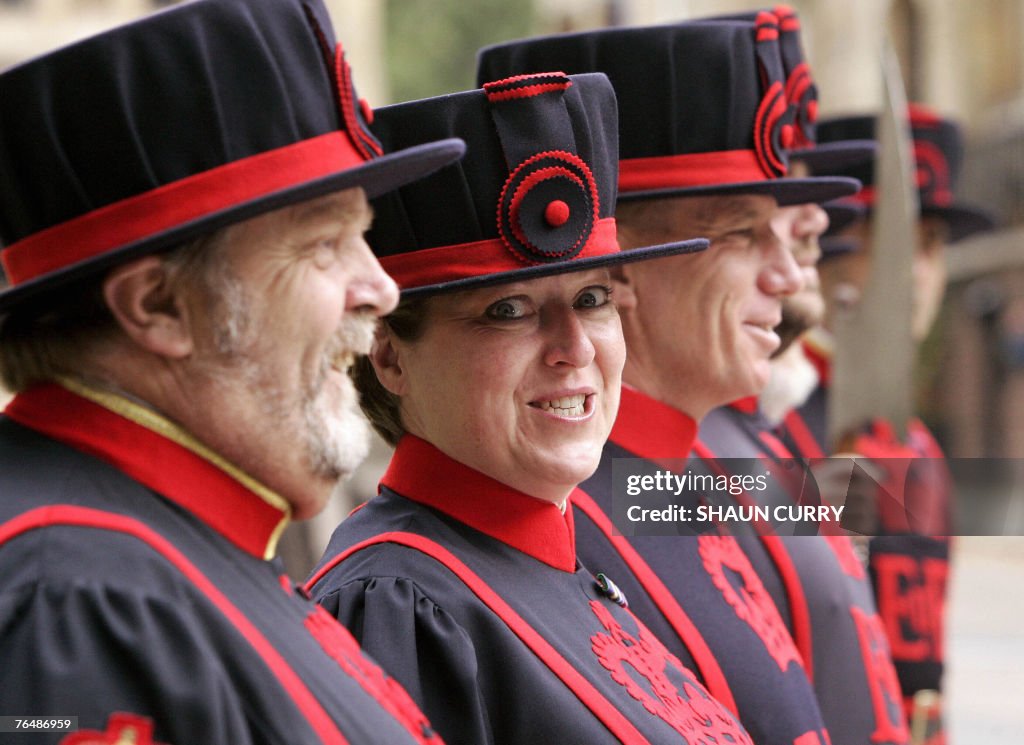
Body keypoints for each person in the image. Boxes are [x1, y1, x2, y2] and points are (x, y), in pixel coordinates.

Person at [0, 0, 465, 742]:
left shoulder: (160, 551)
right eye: (323, 244)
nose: (382, 288)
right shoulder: (80, 599)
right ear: (159, 306)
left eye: (364, 237)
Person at [477, 12, 904, 745]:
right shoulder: (571, 506)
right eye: (742, 233)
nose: (793, 274)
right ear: (622, 261)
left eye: (790, 232)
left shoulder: (695, 464)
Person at [306, 71, 757, 745]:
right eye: (509, 310)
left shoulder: (551, 563)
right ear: (391, 357)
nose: (573, 348)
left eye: (593, 299)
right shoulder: (397, 606)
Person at [783, 104, 996, 744]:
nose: (918, 276)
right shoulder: (775, 423)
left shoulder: (918, 442)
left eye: (930, 246)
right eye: (896, 243)